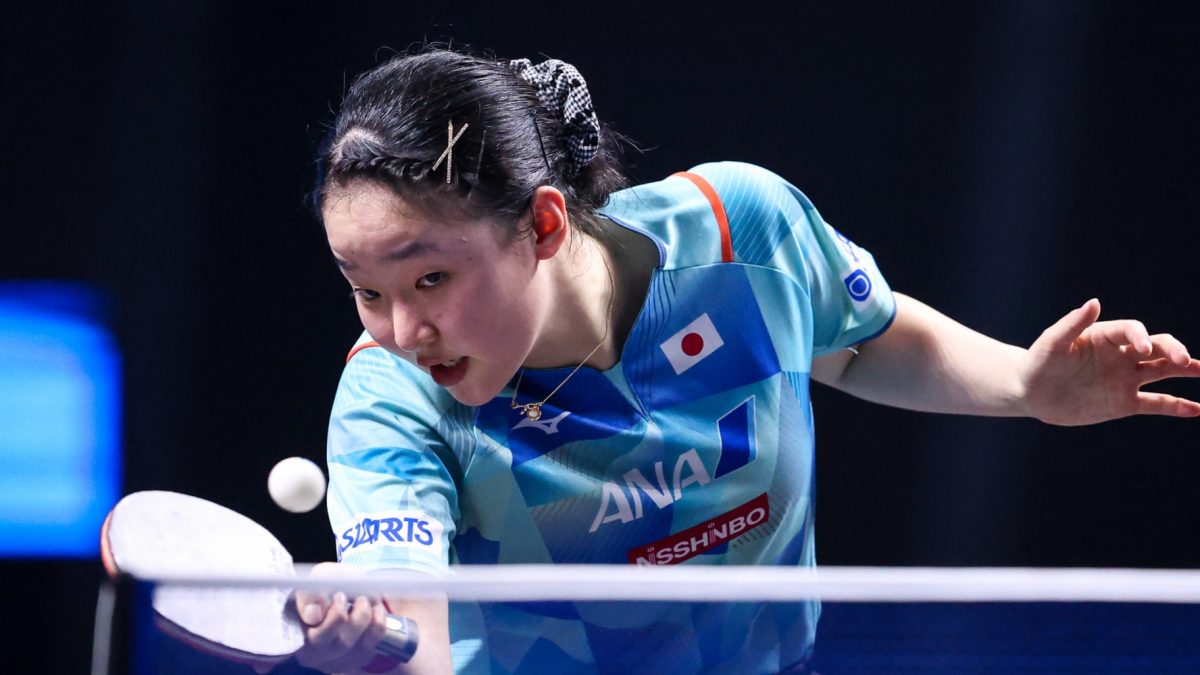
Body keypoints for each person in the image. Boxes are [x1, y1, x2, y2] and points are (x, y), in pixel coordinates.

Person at [291, 49, 1200, 674]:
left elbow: (861, 340)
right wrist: (371, 646)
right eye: (366, 290)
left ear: (542, 223)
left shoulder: (737, 231)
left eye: (431, 278)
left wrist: (1022, 385)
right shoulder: (391, 399)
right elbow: (413, 622)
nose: (403, 329)